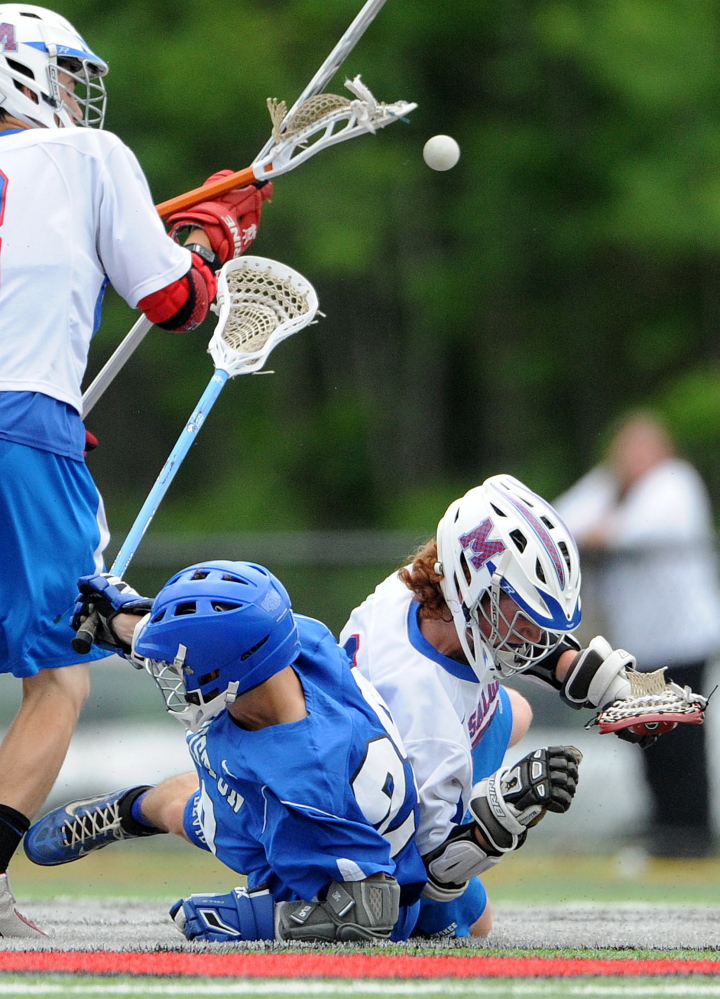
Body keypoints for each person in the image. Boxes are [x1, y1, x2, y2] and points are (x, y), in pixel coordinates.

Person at [0, 3, 270, 936]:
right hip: (24, 425)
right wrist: (215, 241)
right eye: (65, 75)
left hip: (24, 417)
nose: (79, 95)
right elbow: (174, 301)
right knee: (59, 676)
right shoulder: (88, 157)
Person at [22, 561, 582, 943]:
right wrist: (124, 620)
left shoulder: (302, 786)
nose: (173, 673)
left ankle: (133, 809)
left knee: (191, 809)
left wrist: (236, 918)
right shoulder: (297, 639)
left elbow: (370, 914)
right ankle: (126, 813)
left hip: (345, 846)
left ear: (233, 676)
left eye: (181, 665)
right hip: (375, 776)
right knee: (518, 714)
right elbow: (218, 631)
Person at [339, 472, 657, 938]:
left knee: (516, 711)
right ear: (474, 592)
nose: (537, 635)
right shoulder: (425, 713)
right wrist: (502, 814)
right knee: (474, 924)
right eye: (527, 615)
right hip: (382, 824)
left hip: (388, 744)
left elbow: (515, 639)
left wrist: (609, 684)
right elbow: (426, 877)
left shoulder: (418, 591)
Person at [554, 412, 720, 857]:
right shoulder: (611, 485)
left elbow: (632, 532)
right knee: (646, 733)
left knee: (681, 737)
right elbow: (559, 523)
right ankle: (664, 823)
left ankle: (690, 830)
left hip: (681, 640)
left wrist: (601, 528)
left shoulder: (674, 482)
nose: (633, 458)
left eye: (643, 448)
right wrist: (604, 510)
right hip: (638, 643)